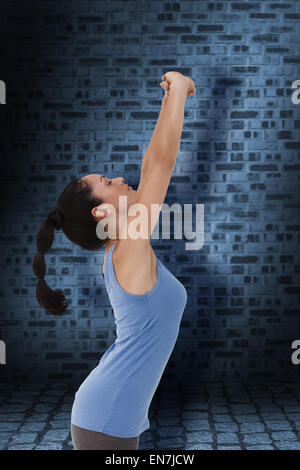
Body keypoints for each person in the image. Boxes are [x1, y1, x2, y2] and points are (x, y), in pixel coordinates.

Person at [32, 71, 196, 450]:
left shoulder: (124, 248)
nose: (120, 178)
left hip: (111, 416)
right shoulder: (126, 250)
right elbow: (159, 165)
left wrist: (170, 98)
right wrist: (179, 91)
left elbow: (154, 161)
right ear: (101, 213)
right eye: (107, 181)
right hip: (106, 421)